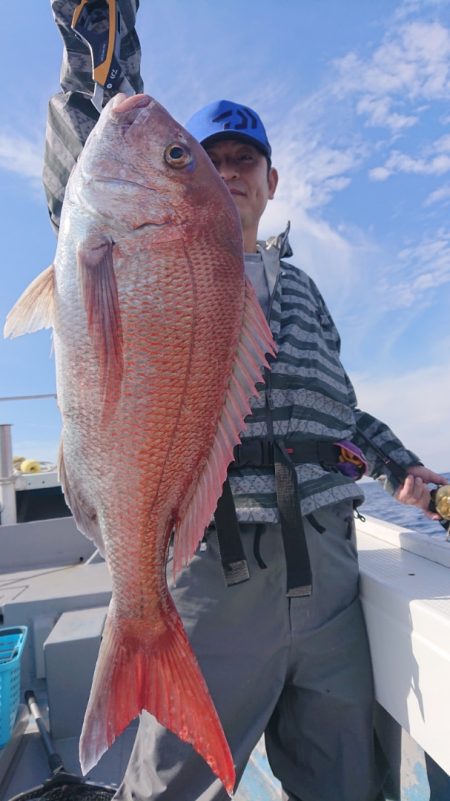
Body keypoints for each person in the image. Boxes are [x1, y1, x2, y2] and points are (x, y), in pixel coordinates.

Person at [44, 5, 448, 801]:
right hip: (211, 576)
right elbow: (91, 156)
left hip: (329, 581)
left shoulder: (302, 289)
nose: (227, 169)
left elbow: (343, 412)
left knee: (350, 783)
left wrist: (406, 469)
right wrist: (96, 43)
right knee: (169, 788)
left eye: (245, 159)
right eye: (207, 156)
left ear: (272, 180)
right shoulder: (150, 240)